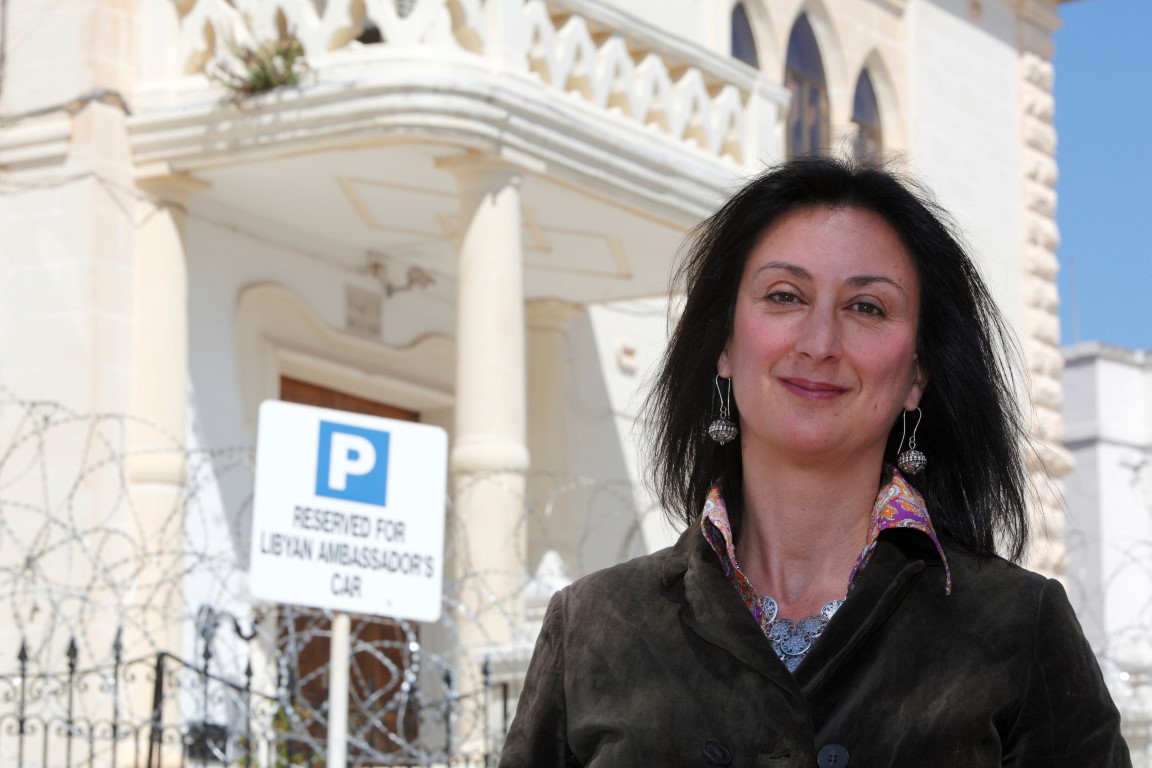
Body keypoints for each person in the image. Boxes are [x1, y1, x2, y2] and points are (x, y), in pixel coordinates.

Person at [498, 156, 1130, 767]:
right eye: (783, 296)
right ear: (724, 344)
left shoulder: (1017, 631)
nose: (820, 343)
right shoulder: (594, 629)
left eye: (867, 307)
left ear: (916, 375)